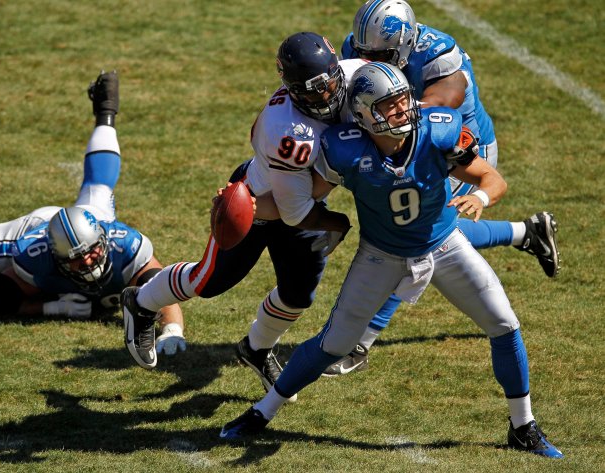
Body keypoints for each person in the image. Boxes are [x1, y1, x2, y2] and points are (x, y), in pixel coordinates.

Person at [219, 62, 564, 459]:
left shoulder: (438, 130)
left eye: (403, 100)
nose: (402, 111)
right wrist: (245, 205)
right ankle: (262, 413)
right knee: (334, 344)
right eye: (390, 105)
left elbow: (492, 177)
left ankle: (523, 426)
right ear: (364, 115)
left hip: (444, 244)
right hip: (381, 256)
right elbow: (299, 199)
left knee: (504, 324)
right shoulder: (345, 148)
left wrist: (480, 197)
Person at [323, 0, 560, 376]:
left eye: (379, 56)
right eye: (364, 54)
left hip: (457, 146)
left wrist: (379, 118)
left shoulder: (439, 55)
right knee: (438, 230)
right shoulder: (360, 46)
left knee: (412, 239)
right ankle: (527, 233)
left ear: (403, 44)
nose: (369, 61)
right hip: (405, 140)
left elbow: (439, 106)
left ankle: (359, 342)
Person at [121, 33, 359, 391]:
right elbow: (294, 212)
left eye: (328, 84)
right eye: (312, 91)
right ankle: (140, 302)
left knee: (299, 293)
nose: (325, 97)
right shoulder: (290, 131)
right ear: (293, 90)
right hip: (259, 202)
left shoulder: (361, 76)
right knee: (210, 281)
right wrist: (339, 222)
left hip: (301, 198)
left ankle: (256, 349)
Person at [0, 71, 186, 359]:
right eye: (76, 259)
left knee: (98, 189)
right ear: (57, 257)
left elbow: (163, 290)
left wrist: (172, 330)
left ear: (104, 241)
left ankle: (106, 112)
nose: (88, 261)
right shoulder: (35, 253)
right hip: (36, 228)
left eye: (91, 252)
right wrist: (53, 307)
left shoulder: (126, 247)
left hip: (91, 217)